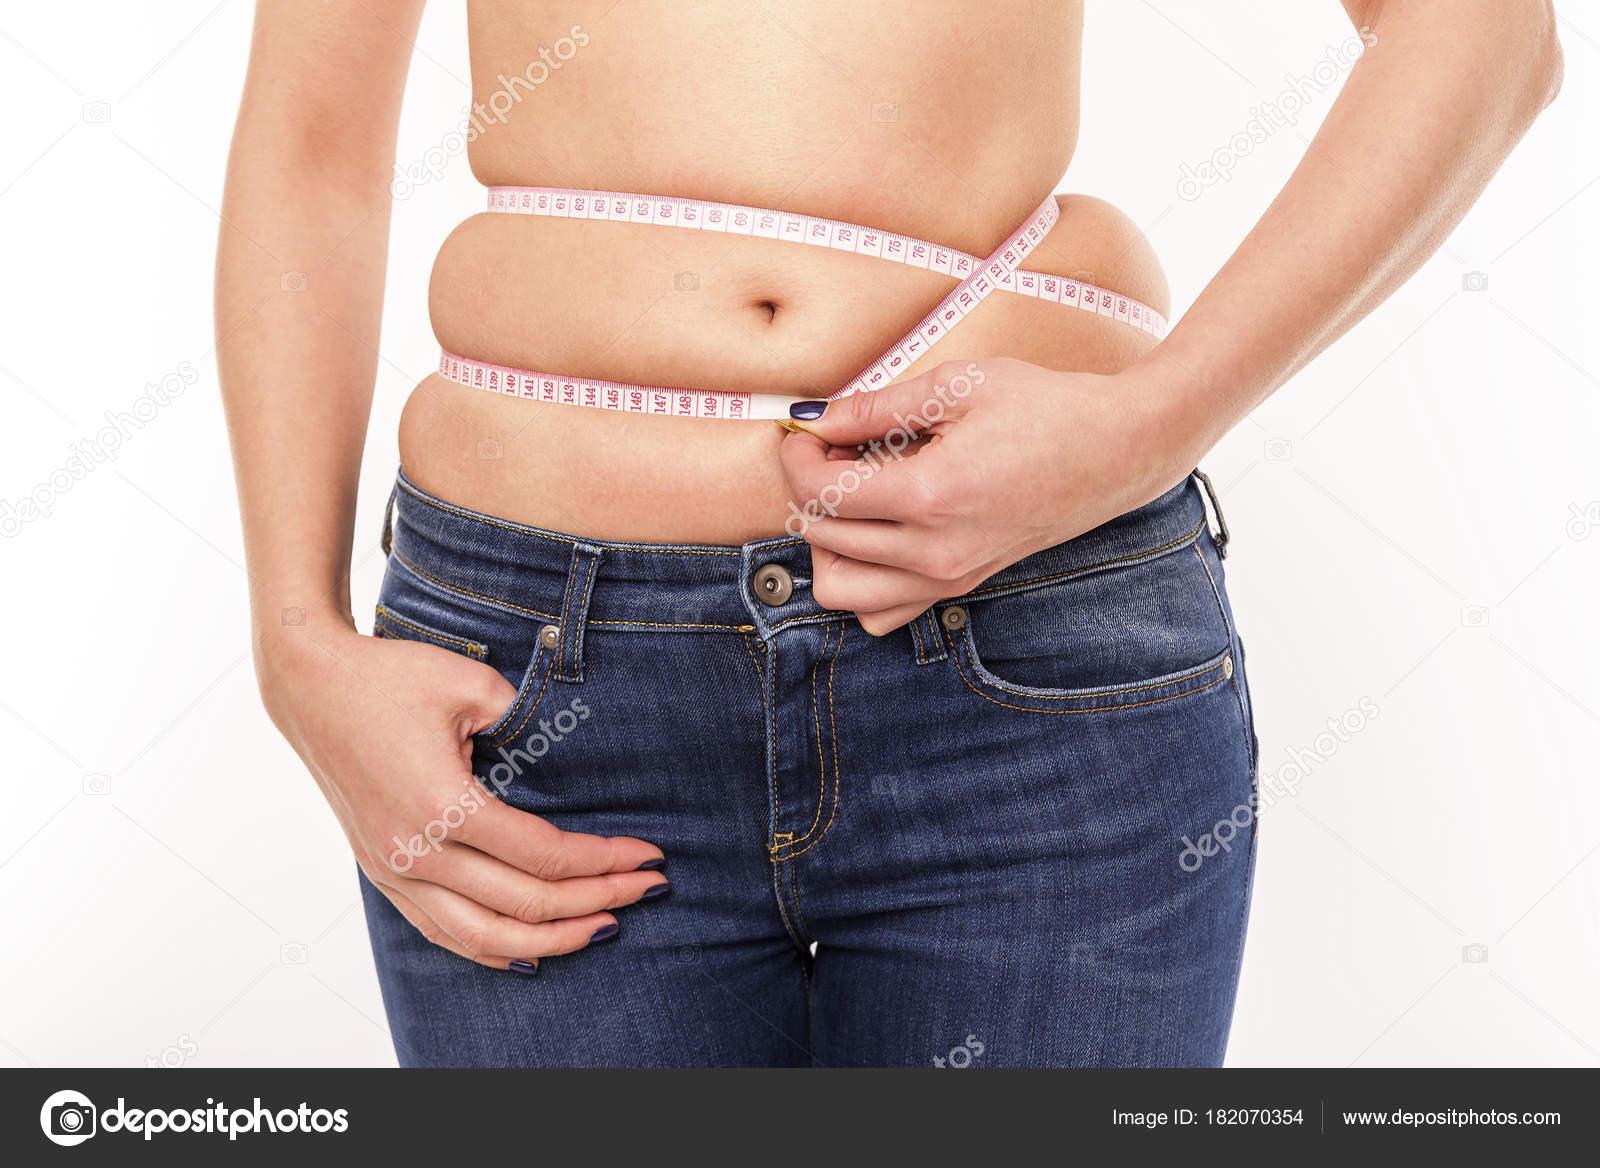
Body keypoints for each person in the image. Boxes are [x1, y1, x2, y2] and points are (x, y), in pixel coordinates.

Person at [216, 1, 1562, 1066]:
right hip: (532, 700)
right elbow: (314, 149)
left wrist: (1155, 421)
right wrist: (296, 644)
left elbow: (1488, 31)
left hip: (1035, 667)